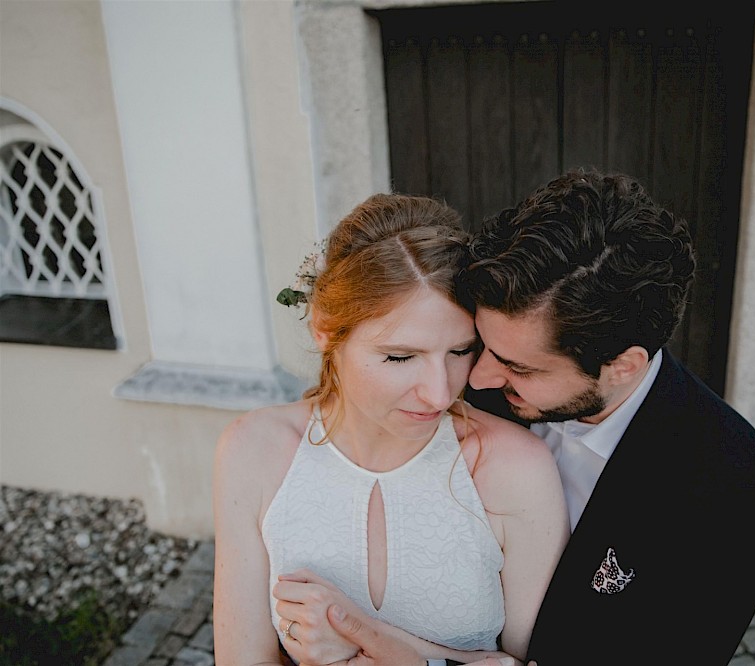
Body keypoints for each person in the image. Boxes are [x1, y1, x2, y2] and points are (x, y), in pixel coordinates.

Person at [301, 169, 755, 665]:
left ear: (622, 367)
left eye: (517, 366)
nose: (477, 379)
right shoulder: (451, 388)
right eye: (480, 346)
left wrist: (387, 649)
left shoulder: (731, 491)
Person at [212, 193, 569, 665]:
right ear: (324, 328)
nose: (441, 395)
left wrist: (363, 639)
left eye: (461, 351)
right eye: (400, 357)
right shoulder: (253, 451)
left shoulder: (514, 468)